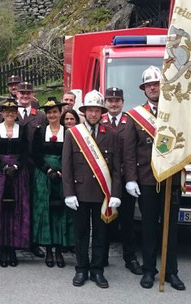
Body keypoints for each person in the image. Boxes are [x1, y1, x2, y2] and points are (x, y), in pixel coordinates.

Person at [123, 66, 185, 290]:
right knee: (149, 229)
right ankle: (149, 270)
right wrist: (131, 179)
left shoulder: (175, 114)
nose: (153, 88)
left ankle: (171, 272)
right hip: (147, 181)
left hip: (170, 180)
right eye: (149, 85)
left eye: (156, 84)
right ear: (144, 89)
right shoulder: (135, 116)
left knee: (171, 230)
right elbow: (129, 152)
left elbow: (182, 145)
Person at [62, 91, 122, 288]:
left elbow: (116, 168)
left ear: (101, 112)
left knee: (100, 233)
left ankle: (97, 270)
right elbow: (67, 166)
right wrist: (69, 192)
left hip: (102, 193)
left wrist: (115, 194)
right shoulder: (73, 133)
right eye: (90, 110)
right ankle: (81, 269)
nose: (93, 114)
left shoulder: (111, 135)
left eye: (97, 110)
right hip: (79, 193)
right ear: (85, 112)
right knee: (80, 233)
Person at [0, 97, 30, 267]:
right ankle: (2, 247)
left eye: (13, 111)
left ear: (16, 113)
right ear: (2, 113)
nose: (10, 114)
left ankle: (12, 247)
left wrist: (16, 166)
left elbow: (25, 152)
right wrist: (3, 167)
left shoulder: (22, 130)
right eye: (7, 111)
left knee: (16, 210)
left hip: (18, 175)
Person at [101, 87, 142, 275]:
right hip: (104, 179)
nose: (114, 104)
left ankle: (130, 258)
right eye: (110, 100)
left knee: (127, 220)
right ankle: (102, 256)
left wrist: (132, 179)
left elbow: (133, 153)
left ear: (123, 103)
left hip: (125, 179)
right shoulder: (99, 121)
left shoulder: (131, 122)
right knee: (103, 219)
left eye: (117, 100)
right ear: (105, 103)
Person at [31, 97, 75, 268]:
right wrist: (48, 170)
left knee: (61, 213)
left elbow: (71, 154)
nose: (52, 115)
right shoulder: (40, 131)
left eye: (55, 112)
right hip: (44, 175)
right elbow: (35, 155)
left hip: (63, 175)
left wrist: (62, 171)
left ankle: (59, 250)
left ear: (60, 113)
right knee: (45, 212)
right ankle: (48, 250)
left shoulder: (68, 132)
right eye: (49, 113)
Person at [15, 81, 46, 258]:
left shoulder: (40, 116)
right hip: (16, 166)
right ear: (16, 94)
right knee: (16, 203)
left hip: (34, 167)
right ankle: (17, 238)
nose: (25, 96)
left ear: (32, 94)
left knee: (34, 204)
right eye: (22, 93)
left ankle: (33, 242)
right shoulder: (8, 113)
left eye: (28, 93)